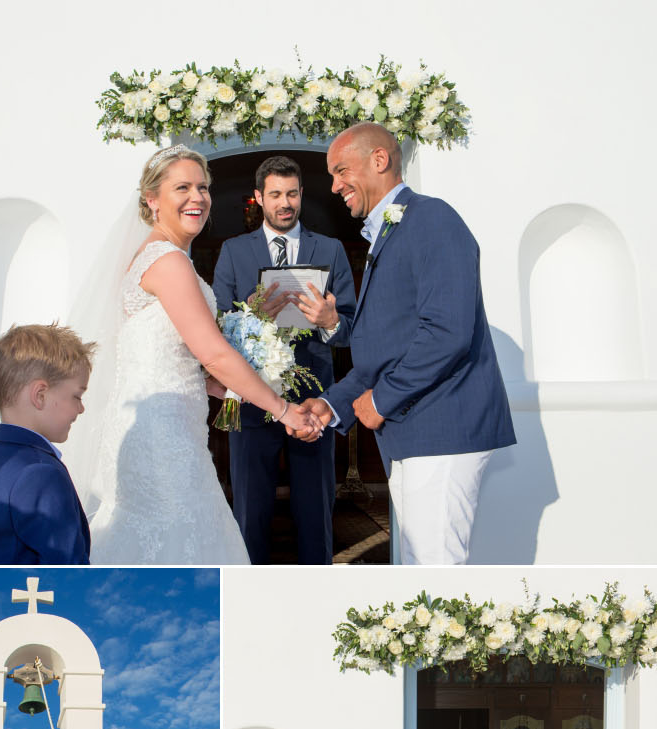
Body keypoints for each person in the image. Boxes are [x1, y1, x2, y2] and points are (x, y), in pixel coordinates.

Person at [84, 146, 320, 565]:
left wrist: (226, 388)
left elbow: (179, 361)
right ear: (152, 199)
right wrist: (282, 409)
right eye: (183, 188)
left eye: (203, 187)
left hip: (166, 423)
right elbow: (211, 351)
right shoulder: (169, 262)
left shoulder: (162, 257)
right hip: (162, 434)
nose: (198, 197)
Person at [302, 123, 515, 564]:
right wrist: (331, 404)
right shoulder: (389, 232)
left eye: (341, 170)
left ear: (379, 160)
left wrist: (380, 400)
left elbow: (448, 332)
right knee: (417, 570)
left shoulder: (432, 219)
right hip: (414, 434)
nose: (335, 185)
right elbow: (382, 348)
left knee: (436, 577)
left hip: (443, 426)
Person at [213, 153, 356, 564]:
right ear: (258, 197)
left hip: (314, 401)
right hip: (253, 396)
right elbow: (215, 325)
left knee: (315, 509)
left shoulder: (329, 249)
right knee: (250, 511)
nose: (285, 203)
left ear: (302, 195)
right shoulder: (233, 251)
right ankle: (247, 594)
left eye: (292, 193)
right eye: (275, 194)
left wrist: (330, 321)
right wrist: (249, 312)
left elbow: (351, 328)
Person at [0, 324, 94, 564]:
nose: (81, 408)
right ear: (40, 395)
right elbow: (67, 569)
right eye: (77, 396)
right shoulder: (40, 474)